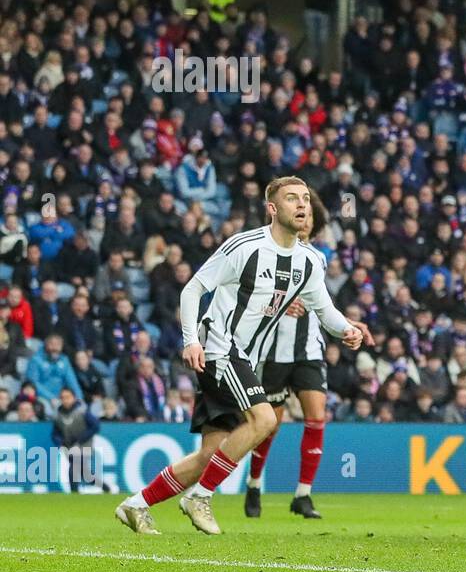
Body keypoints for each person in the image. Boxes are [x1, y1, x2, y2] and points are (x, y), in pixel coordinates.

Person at [114, 177, 370, 536]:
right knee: (264, 420)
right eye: (292, 198)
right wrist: (191, 341)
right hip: (220, 347)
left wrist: (347, 330)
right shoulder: (245, 247)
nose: (302, 205)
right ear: (272, 209)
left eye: (305, 199)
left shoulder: (310, 260)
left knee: (210, 455)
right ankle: (200, 496)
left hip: (245, 357)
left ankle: (137, 503)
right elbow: (193, 289)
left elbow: (325, 310)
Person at [245, 192, 333, 520]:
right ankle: (254, 484)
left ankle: (303, 494)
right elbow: (254, 297)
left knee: (317, 417)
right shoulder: (266, 254)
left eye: (309, 216)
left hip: (308, 351)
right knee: (270, 425)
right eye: (300, 213)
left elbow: (321, 303)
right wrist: (280, 305)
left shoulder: (317, 259)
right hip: (274, 353)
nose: (305, 220)